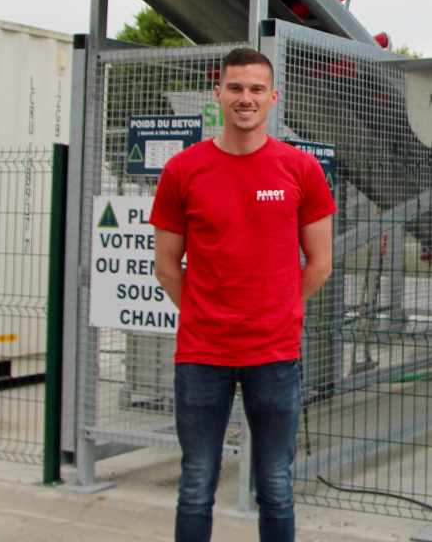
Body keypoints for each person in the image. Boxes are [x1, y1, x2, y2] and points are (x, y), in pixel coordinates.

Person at [152, 47, 335, 542]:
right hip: (201, 353)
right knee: (196, 484)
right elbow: (166, 266)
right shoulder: (183, 170)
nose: (245, 98)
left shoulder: (300, 170)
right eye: (235, 88)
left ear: (273, 97)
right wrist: (204, 311)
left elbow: (320, 263)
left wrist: (277, 308)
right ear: (218, 96)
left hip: (273, 353)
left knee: (275, 486)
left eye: (256, 89)